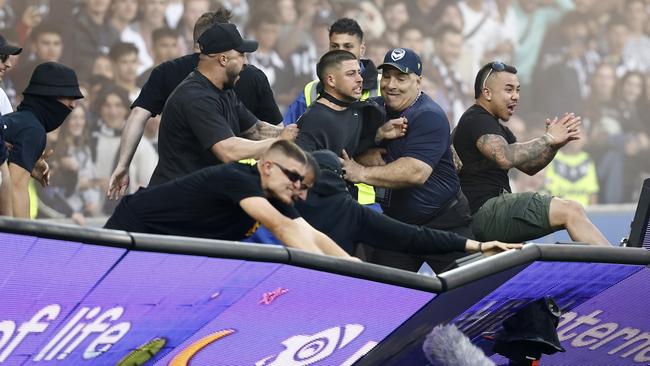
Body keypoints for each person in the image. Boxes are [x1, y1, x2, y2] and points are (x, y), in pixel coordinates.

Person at [107, 8, 283, 199]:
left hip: (213, 188)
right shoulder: (205, 87)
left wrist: (123, 165)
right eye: (239, 52)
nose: (244, 61)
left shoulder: (178, 74)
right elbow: (229, 148)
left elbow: (137, 116)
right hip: (191, 190)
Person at [341, 48, 474, 271]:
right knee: (384, 295)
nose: (391, 84)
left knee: (469, 293)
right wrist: (371, 142)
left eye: (401, 78)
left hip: (443, 222)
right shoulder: (372, 109)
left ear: (418, 82)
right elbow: (339, 146)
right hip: (398, 226)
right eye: (387, 76)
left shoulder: (428, 115)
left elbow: (415, 172)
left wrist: (360, 172)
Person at [105, 140, 354, 259]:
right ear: (267, 167)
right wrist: (328, 269)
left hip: (167, 247)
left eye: (301, 180)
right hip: (135, 226)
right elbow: (280, 226)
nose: (297, 186)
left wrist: (350, 264)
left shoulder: (274, 193)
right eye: (292, 176)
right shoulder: (237, 177)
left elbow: (310, 233)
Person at [452, 61, 610, 245]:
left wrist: (554, 146)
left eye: (518, 90)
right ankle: (623, 266)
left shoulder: (499, 129)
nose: (516, 96)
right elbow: (504, 157)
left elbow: (529, 167)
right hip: (483, 211)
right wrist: (548, 138)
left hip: (486, 214)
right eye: (509, 90)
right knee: (571, 210)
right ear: (487, 93)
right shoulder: (476, 119)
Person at [295, 150, 521, 271]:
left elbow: (413, 236)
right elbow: (414, 236)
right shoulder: (351, 213)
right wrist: (478, 246)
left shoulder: (285, 203)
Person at [147, 22, 297, 186]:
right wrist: (278, 143)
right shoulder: (196, 97)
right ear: (223, 59)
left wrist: (296, 135)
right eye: (241, 55)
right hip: (175, 199)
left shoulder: (224, 90)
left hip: (199, 193)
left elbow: (256, 130)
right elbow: (228, 150)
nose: (246, 62)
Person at [1, 62, 83, 218]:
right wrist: (21, 239)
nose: (73, 105)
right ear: (49, 95)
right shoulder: (33, 130)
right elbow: (15, 186)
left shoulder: (18, 121)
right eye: (68, 97)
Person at [283, 17, 381, 124]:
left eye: (348, 46)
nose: (340, 52)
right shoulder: (311, 90)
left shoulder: (384, 84)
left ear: (362, 49)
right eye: (335, 46)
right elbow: (288, 130)